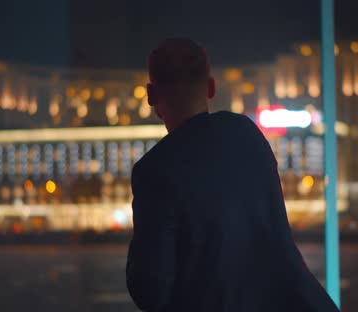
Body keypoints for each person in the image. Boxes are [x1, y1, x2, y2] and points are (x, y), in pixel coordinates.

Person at [126, 38, 340, 312]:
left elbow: (151, 289)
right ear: (211, 87)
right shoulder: (246, 134)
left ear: (151, 95)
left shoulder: (154, 170)